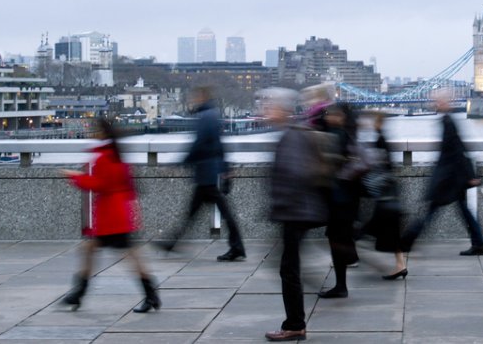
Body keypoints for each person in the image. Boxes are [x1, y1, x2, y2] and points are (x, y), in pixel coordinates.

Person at [61, 118, 160, 313]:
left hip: (111, 217)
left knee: (124, 255)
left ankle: (150, 295)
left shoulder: (104, 157)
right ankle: (79, 293)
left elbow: (99, 184)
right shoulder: (115, 154)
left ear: (103, 133)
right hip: (117, 213)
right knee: (98, 250)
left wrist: (74, 176)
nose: (92, 133)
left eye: (95, 130)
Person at [262, 88, 330, 342]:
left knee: (288, 269)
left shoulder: (291, 136)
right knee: (289, 266)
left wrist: (280, 206)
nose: (265, 110)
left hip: (296, 212)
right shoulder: (294, 133)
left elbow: (296, 175)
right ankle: (296, 322)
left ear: (282, 110)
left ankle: (294, 325)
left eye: (269, 106)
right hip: (298, 211)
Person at [155, 86, 245, 261]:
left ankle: (237, 246)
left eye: (194, 97)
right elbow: (219, 145)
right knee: (196, 212)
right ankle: (172, 242)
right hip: (210, 172)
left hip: (206, 173)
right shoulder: (212, 115)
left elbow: (198, 144)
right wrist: (226, 168)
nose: (192, 100)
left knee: (210, 212)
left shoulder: (205, 117)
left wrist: (178, 164)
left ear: (201, 97)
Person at [400, 91, 483, 256]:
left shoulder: (448, 122)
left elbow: (456, 150)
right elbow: (459, 149)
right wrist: (469, 175)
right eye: (436, 102)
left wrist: (469, 176)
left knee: (430, 211)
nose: (436, 104)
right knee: (462, 212)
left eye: (439, 102)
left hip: (448, 178)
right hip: (453, 177)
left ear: (446, 103)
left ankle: (406, 241)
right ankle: (479, 244)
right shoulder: (448, 121)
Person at [318, 103, 367, 299]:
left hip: (339, 198)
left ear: (340, 117)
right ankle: (341, 283)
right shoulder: (347, 134)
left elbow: (329, 164)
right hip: (346, 198)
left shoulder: (337, 135)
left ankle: (341, 285)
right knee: (339, 239)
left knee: (337, 240)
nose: (326, 116)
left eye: (330, 114)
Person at [362, 111, 407, 279]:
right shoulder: (382, 137)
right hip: (389, 193)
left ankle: (347, 257)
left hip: (384, 195)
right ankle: (400, 264)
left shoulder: (379, 139)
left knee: (368, 230)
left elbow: (379, 166)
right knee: (391, 231)